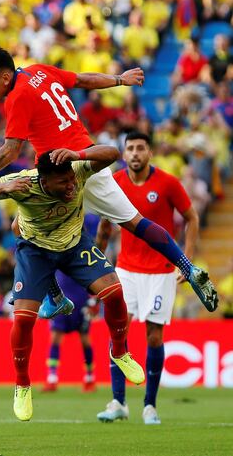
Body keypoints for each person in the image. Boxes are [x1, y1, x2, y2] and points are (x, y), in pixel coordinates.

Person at [0, 47, 218, 315]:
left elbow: (11, 150)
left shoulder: (16, 97)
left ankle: (55, 298)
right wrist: (120, 80)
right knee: (135, 223)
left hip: (59, 175)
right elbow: (82, 79)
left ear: (5, 77)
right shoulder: (39, 70)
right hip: (89, 161)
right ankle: (188, 268)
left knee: (22, 231)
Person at [0, 145, 146, 422]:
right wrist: (6, 188)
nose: (72, 185)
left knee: (113, 291)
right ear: (44, 180)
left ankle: (120, 350)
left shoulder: (76, 169)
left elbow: (111, 154)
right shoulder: (25, 183)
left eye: (72, 179)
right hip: (35, 252)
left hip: (74, 244)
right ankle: (23, 385)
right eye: (63, 182)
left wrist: (78, 155)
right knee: (23, 320)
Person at [96, 132, 199, 425]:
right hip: (125, 269)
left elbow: (192, 218)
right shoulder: (115, 183)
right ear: (124, 153)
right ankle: (118, 402)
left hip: (161, 271)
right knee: (119, 332)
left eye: (141, 148)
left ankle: (149, 406)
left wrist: (186, 261)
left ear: (150, 153)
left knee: (154, 336)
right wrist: (96, 266)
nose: (135, 153)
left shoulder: (167, 183)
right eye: (130, 148)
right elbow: (104, 227)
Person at [42, 271, 98, 393]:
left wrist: (94, 300)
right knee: (55, 338)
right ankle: (52, 378)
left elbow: (95, 276)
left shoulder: (79, 255)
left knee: (85, 340)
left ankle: (89, 378)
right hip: (60, 302)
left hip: (81, 304)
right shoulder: (54, 256)